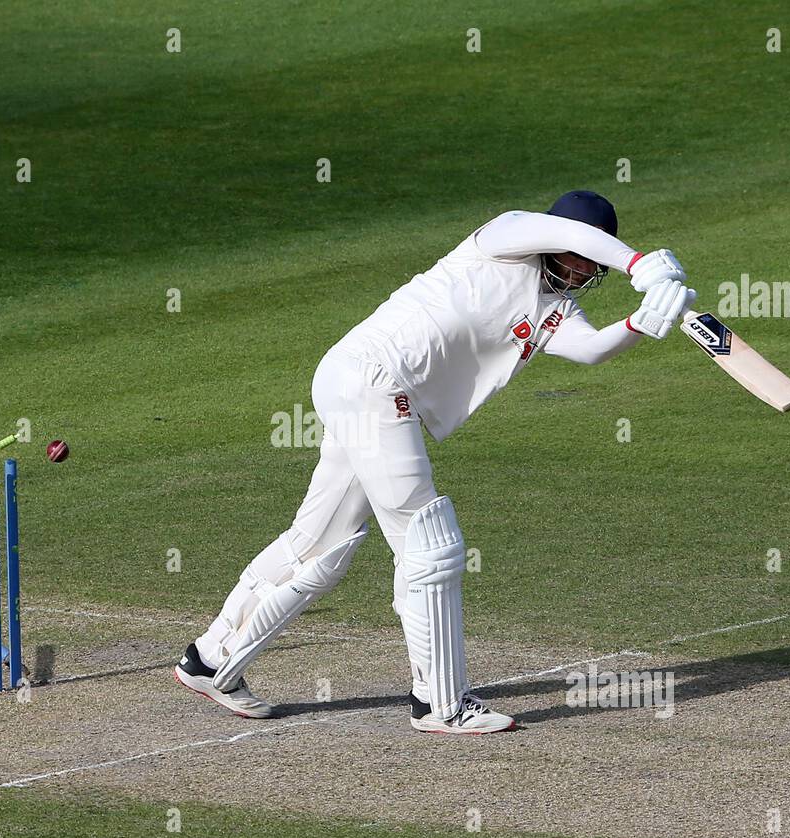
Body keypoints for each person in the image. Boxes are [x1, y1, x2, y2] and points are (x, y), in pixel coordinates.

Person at [175, 190, 695, 734]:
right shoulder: (505, 237)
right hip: (374, 379)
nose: (584, 267)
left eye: (593, 264)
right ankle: (440, 704)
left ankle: (210, 660)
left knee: (320, 543)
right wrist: (638, 262)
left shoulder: (554, 307)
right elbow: (569, 234)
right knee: (431, 544)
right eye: (583, 255)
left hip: (365, 390)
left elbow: (590, 348)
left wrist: (641, 322)